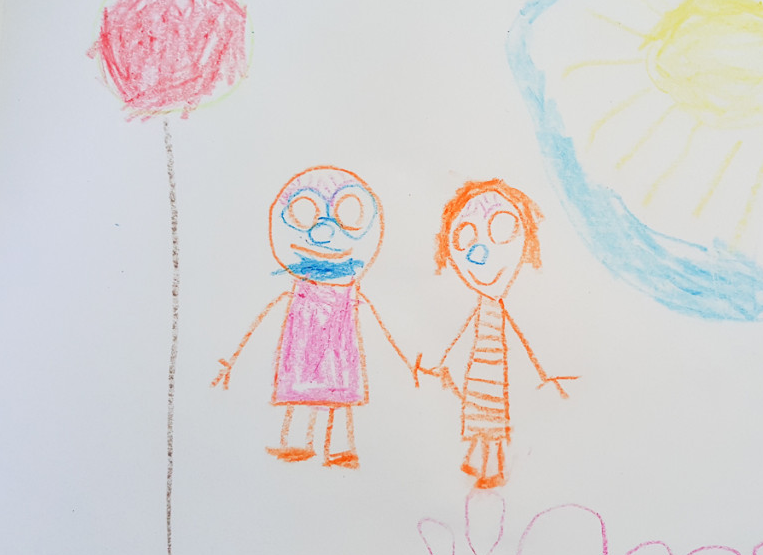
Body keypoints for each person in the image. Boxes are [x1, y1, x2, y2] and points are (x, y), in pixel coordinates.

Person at [212, 166, 410, 468]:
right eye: (304, 212)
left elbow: (383, 330)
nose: (323, 232)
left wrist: (409, 363)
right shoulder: (297, 295)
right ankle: (296, 443)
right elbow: (264, 324)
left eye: (348, 215)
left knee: (339, 401)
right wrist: (233, 362)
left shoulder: (352, 298)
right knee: (302, 397)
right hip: (302, 357)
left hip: (339, 359)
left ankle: (341, 448)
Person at [420, 179, 575, 488]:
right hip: (479, 375)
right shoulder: (482, 311)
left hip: (494, 379)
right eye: (464, 238)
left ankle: (494, 470)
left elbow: (520, 342)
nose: (479, 252)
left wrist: (545, 376)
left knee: (493, 423)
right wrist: (442, 363)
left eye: (501, 229)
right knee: (480, 419)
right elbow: (463, 336)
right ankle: (474, 461)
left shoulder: (502, 312)